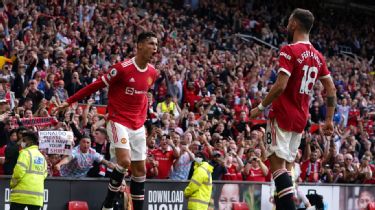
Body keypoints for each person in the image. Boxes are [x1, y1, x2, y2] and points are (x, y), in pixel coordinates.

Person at [55, 32, 159, 210]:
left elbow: (143, 96)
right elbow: (95, 85)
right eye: (151, 44)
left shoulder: (153, 73)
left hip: (138, 125)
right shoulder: (122, 68)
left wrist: (145, 116)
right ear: (140, 45)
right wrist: (70, 100)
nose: (155, 49)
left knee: (140, 171)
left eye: (156, 45)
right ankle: (108, 204)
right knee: (125, 162)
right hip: (118, 120)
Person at [250, 8, 336, 210]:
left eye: (289, 22)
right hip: (300, 118)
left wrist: (260, 107)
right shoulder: (318, 56)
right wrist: (329, 120)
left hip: (282, 115)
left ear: (295, 24)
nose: (287, 26)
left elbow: (280, 86)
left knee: (277, 167)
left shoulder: (289, 50)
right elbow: (331, 88)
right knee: (287, 170)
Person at [9, 131, 47, 210]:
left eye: (23, 140)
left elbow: (18, 173)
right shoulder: (41, 156)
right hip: (37, 198)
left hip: (21, 195)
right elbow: (44, 174)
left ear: (29, 142)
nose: (22, 143)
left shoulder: (25, 153)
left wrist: (12, 184)